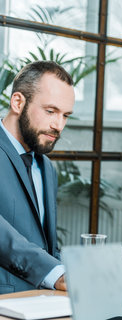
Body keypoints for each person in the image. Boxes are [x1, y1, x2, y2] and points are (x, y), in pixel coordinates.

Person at [0, 60, 75, 293]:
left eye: (65, 115)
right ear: (18, 102)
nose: (58, 125)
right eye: (51, 111)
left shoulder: (47, 168)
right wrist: (57, 273)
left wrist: (81, 268)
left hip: (44, 303)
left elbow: (44, 247)